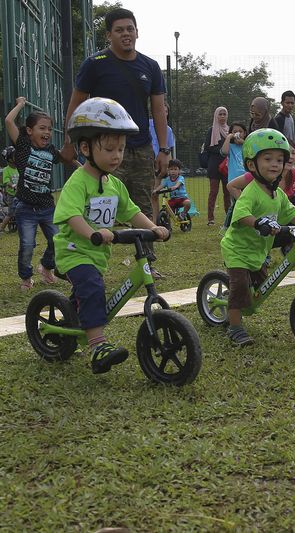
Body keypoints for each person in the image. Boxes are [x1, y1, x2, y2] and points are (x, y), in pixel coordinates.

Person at [53, 97, 169, 373]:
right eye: (109, 149)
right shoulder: (78, 182)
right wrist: (94, 233)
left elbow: (132, 212)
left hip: (96, 252)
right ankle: (97, 346)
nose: (117, 155)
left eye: (121, 148)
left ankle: (68, 326)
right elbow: (71, 215)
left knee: (87, 293)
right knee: (93, 286)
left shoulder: (114, 184)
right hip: (73, 251)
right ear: (85, 147)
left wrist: (153, 228)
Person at [63, 7, 169, 277]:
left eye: (130, 29)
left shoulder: (150, 67)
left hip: (140, 146)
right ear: (109, 34)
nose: (126, 34)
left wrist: (164, 149)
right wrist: (69, 141)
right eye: (119, 30)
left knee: (143, 204)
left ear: (137, 32)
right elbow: (77, 103)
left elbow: (159, 109)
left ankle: (147, 263)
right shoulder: (95, 63)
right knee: (92, 205)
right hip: (102, 149)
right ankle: (71, 257)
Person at [220, 128, 295, 346]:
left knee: (260, 286)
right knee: (239, 292)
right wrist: (259, 222)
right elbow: (241, 213)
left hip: (257, 250)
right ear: (251, 165)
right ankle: (235, 327)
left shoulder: (278, 194)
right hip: (238, 249)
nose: (275, 164)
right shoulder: (251, 190)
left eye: (279, 159)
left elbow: (291, 213)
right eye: (267, 159)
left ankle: (241, 299)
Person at [4, 97, 62, 289]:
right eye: (42, 128)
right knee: (27, 245)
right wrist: (20, 104)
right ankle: (26, 278)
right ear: (29, 131)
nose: (47, 132)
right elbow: (8, 121)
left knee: (57, 241)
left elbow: (68, 158)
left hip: (46, 206)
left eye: (49, 129)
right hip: (26, 207)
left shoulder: (51, 151)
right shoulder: (23, 146)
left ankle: (46, 267)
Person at [204, 106, 231, 225]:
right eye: (220, 114)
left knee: (228, 192)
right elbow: (208, 147)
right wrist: (221, 151)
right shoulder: (212, 130)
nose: (222, 116)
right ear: (216, 116)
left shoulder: (230, 131)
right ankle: (210, 218)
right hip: (214, 166)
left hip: (227, 167)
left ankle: (228, 217)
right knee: (213, 192)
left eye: (224, 114)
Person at [0, 146, 19, 233]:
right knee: (11, 213)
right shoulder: (6, 170)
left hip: (20, 194)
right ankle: (2, 228)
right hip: (11, 195)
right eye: (15, 155)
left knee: (25, 210)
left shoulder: (19, 168)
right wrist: (13, 185)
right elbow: (6, 182)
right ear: (10, 159)